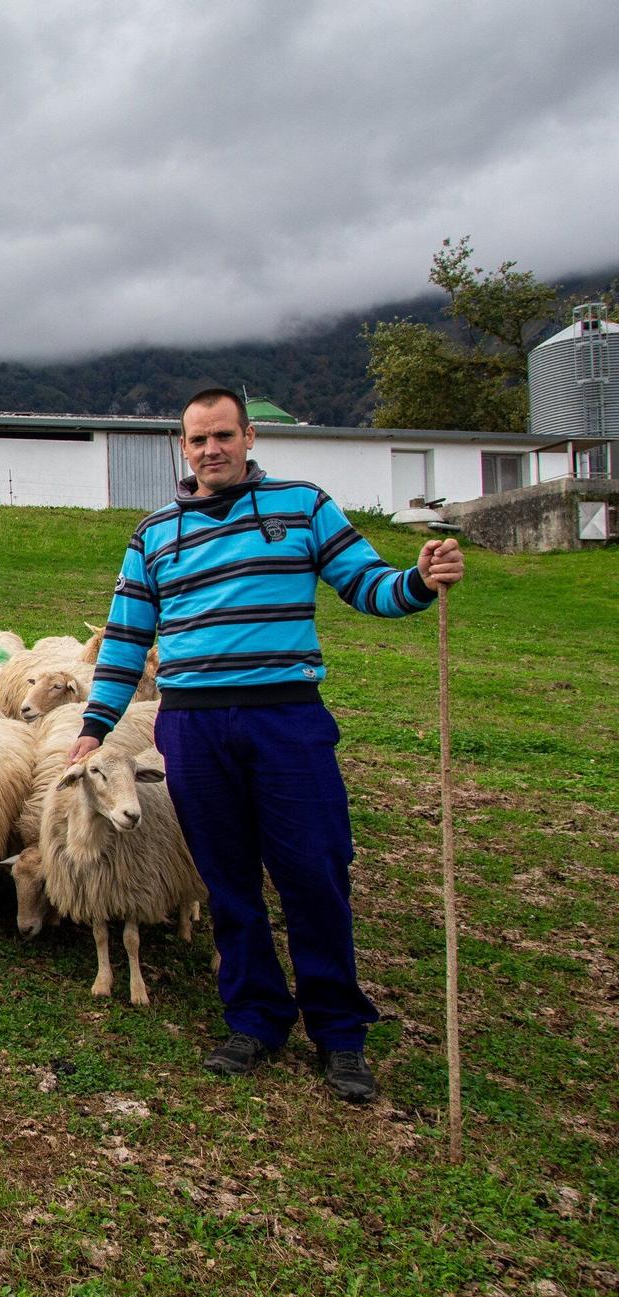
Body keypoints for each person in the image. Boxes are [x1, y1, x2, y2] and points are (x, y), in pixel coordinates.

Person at [70, 387, 464, 1104]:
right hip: (192, 725)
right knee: (225, 879)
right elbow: (125, 638)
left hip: (285, 718)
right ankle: (254, 1018)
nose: (211, 449)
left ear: (249, 437)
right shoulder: (153, 534)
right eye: (198, 439)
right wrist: (94, 726)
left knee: (315, 870)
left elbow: (368, 584)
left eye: (223, 435)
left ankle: (339, 1032)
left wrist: (418, 580)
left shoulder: (303, 506)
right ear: (182, 448)